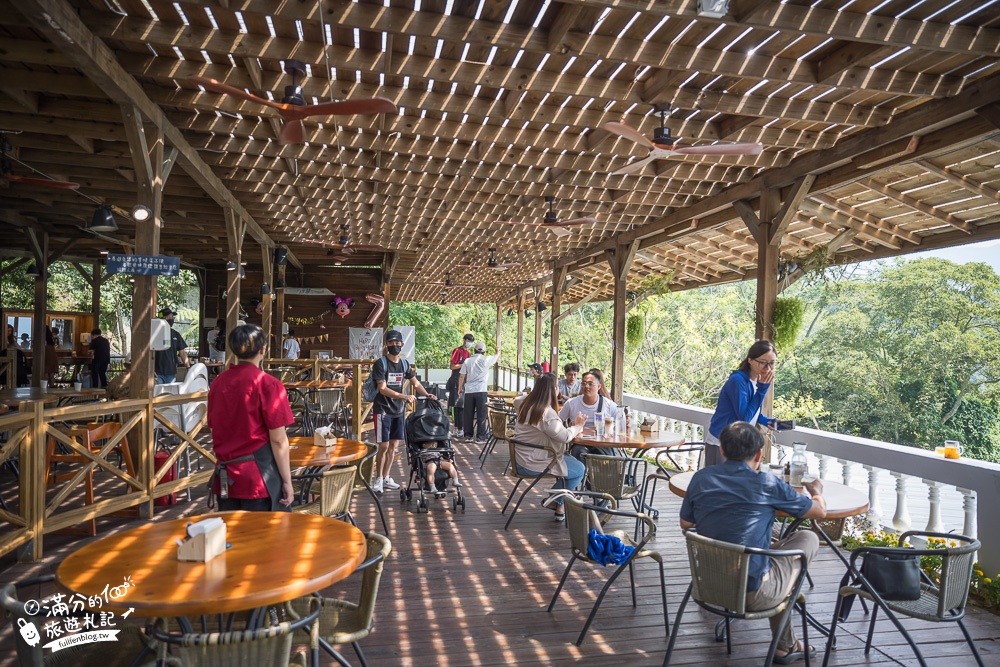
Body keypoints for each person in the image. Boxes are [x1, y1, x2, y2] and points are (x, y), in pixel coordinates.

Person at [679, 422, 826, 664]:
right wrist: (816, 490)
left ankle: (785, 642)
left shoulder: (702, 477)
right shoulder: (767, 484)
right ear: (759, 454)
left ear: (723, 450)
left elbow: (686, 523)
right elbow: (819, 512)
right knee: (807, 538)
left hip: (708, 585)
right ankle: (785, 645)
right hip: (753, 594)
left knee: (770, 548)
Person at [206, 323, 295, 511]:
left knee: (232, 537)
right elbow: (278, 440)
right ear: (263, 349)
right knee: (263, 537)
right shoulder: (268, 384)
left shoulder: (218, 383)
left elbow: (214, 426)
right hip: (259, 477)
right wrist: (287, 481)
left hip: (226, 477)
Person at [511, 372, 587, 521]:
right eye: (557, 387)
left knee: (570, 464)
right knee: (579, 469)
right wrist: (578, 426)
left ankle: (560, 506)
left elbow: (516, 400)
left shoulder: (526, 404)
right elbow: (565, 436)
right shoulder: (546, 413)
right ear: (553, 390)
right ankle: (555, 499)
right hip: (533, 461)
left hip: (521, 459)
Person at [371, 329, 438, 494]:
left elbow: (415, 383)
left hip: (398, 411)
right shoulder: (381, 364)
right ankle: (378, 479)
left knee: (394, 445)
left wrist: (427, 394)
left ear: (402, 344)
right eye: (391, 342)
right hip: (383, 411)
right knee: (383, 446)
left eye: (398, 342)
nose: (395, 345)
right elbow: (382, 389)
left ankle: (386, 478)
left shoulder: (404, 364)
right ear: (386, 344)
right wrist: (403, 396)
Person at [706, 340, 778, 467]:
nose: (768, 368)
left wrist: (766, 421)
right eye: (762, 362)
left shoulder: (756, 381)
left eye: (771, 363)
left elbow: (751, 412)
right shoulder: (738, 381)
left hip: (739, 443)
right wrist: (762, 389)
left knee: (735, 485)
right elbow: (744, 417)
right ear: (750, 360)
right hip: (721, 442)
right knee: (718, 485)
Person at [458, 341, 500, 443]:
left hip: (469, 391)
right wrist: (498, 351)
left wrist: (460, 388)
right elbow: (496, 357)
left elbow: (462, 375)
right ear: (484, 351)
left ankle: (468, 436)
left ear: (474, 350)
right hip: (481, 390)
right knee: (481, 414)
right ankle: (481, 437)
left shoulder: (467, 361)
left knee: (468, 414)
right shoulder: (486, 360)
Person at [447, 333, 475, 436]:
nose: (469, 343)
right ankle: (456, 428)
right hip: (456, 380)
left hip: (464, 380)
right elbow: (452, 366)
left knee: (461, 405)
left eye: (471, 342)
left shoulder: (467, 353)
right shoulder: (457, 351)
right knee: (456, 404)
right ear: (464, 340)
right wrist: (463, 365)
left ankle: (460, 428)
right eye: (468, 341)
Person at [154, 307, 190, 384]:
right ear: (163, 318)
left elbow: (182, 352)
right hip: (156, 373)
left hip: (171, 373)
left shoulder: (176, 334)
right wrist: (150, 370)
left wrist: (188, 367)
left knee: (169, 395)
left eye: (172, 317)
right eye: (169, 317)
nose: (171, 319)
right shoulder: (154, 333)